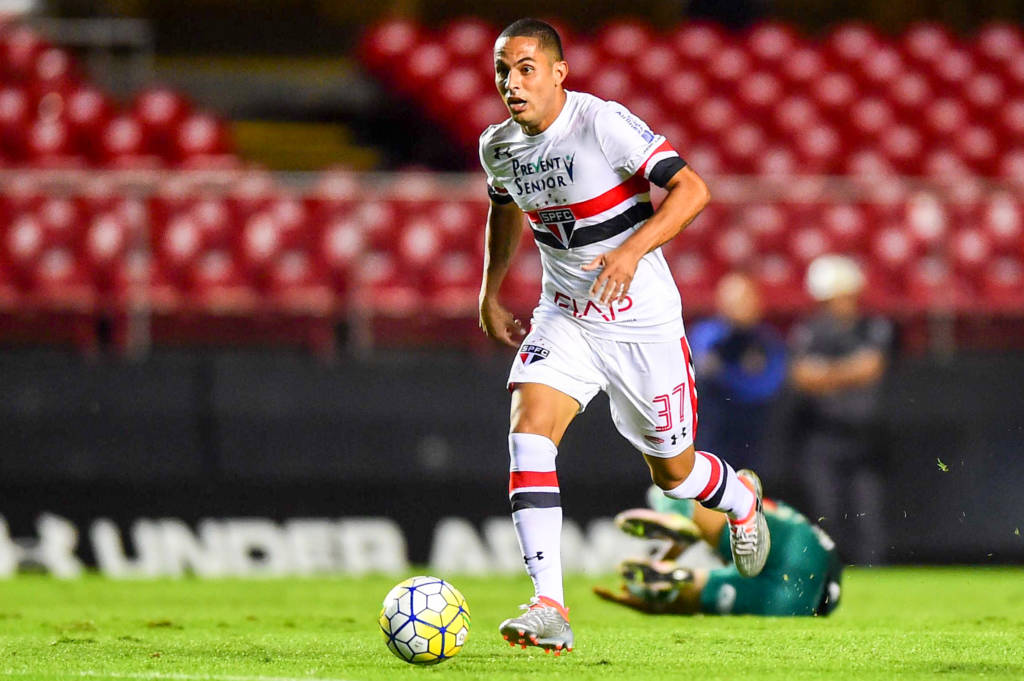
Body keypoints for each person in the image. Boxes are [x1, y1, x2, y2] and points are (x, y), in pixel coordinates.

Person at [477, 18, 770, 654]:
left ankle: (741, 498)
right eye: (502, 70)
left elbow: (692, 190)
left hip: (642, 322)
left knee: (676, 476)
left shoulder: (600, 122)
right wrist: (490, 290)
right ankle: (549, 604)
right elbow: (504, 209)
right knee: (528, 433)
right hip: (566, 316)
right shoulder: (497, 146)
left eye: (526, 68)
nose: (511, 83)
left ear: (558, 72)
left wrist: (632, 251)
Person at [593, 470, 843, 616]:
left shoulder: (790, 523)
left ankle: (676, 520)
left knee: (667, 493)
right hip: (797, 602)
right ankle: (665, 578)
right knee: (721, 567)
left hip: (796, 553)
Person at [789, 254, 893, 565]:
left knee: (869, 516)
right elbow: (802, 376)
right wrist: (848, 372)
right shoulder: (811, 330)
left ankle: (873, 576)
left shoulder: (873, 326)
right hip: (823, 435)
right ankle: (831, 573)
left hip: (865, 437)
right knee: (827, 514)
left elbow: (870, 368)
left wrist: (826, 374)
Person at [688, 271, 788, 472]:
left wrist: (726, 374)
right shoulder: (705, 333)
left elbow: (768, 386)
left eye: (744, 299)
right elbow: (701, 373)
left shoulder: (767, 340)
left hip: (755, 435)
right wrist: (740, 372)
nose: (738, 307)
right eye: (731, 300)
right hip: (711, 433)